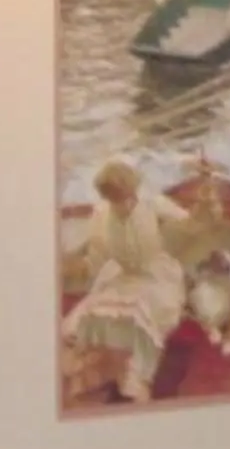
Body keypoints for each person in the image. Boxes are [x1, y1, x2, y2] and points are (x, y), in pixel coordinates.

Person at [61, 159, 190, 402]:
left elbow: (187, 223)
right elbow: (97, 259)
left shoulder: (152, 203)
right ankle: (105, 373)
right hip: (120, 275)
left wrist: (175, 232)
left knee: (141, 314)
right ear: (108, 197)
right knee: (94, 313)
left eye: (129, 195)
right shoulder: (101, 215)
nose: (126, 203)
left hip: (157, 275)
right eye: (118, 198)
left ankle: (134, 380)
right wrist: (73, 268)